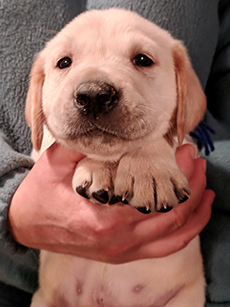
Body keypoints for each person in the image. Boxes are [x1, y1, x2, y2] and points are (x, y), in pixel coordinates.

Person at [1, 0, 225, 306]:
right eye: (64, 62)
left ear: (181, 85)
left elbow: (196, 138)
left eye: (142, 60)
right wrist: (11, 204)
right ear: (37, 93)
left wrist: (154, 148)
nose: (93, 91)